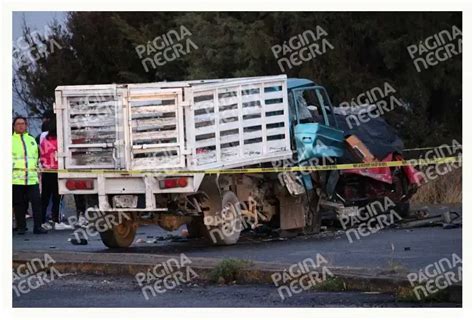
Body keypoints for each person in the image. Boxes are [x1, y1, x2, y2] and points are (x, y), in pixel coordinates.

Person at [12, 116, 47, 234]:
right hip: (16, 179)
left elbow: (37, 157)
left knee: (37, 203)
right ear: (14, 126)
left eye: (23, 123)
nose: (21, 126)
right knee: (19, 205)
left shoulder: (31, 140)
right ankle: (21, 227)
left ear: (26, 125)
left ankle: (38, 226)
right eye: (18, 124)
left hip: (32, 179)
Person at [39, 119, 73, 231]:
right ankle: (56, 220)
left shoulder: (44, 141)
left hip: (46, 172)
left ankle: (42, 221)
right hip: (57, 171)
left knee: (45, 198)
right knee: (58, 198)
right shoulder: (60, 142)